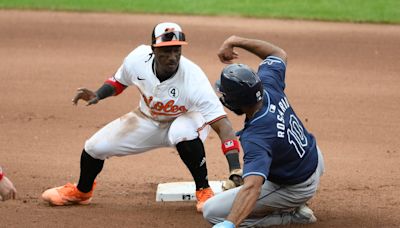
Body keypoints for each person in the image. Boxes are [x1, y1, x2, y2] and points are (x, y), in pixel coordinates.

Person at [41, 22, 243, 212]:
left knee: (182, 132)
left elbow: (222, 125)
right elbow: (118, 82)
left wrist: (235, 167)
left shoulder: (193, 77)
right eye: (166, 51)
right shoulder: (137, 59)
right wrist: (98, 94)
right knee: (94, 148)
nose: (172, 56)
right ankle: (82, 191)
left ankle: (204, 191)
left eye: (177, 50)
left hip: (188, 119)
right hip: (147, 119)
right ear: (153, 49)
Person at [202, 35, 325, 227]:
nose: (223, 99)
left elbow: (252, 188)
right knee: (254, 175)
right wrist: (235, 40)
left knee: (212, 211)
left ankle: (290, 216)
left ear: (236, 102)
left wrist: (230, 224)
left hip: (297, 185)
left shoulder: (256, 137)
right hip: (313, 159)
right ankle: (290, 203)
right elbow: (278, 53)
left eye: (225, 96)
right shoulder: (269, 84)